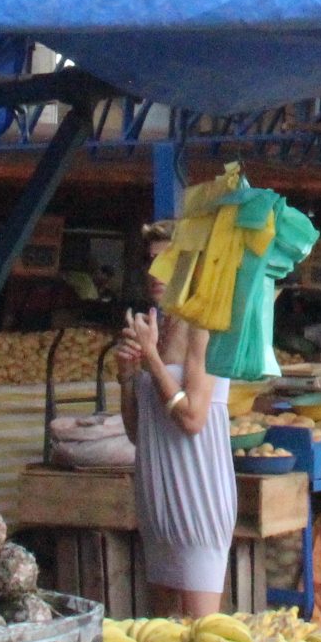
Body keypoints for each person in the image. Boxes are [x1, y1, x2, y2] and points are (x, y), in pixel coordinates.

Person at [119, 226, 235, 619]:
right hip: (158, 495)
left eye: (165, 261)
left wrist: (152, 359)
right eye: (150, 260)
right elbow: (139, 432)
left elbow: (192, 418)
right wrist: (127, 376)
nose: (154, 271)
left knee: (202, 630)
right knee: (162, 632)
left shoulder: (204, 323)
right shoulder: (160, 322)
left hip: (198, 491)